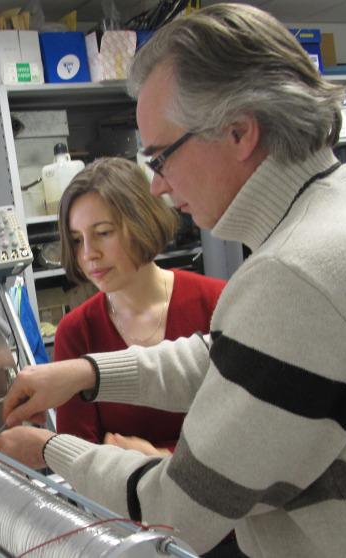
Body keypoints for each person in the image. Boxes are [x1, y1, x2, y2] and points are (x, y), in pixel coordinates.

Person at [0, 4, 346, 557]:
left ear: (239, 132)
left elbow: (176, 511)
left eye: (161, 157)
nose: (156, 186)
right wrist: (86, 373)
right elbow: (236, 360)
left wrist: (47, 449)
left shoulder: (301, 272)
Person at [52, 156, 225, 457]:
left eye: (103, 233)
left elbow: (248, 430)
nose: (89, 254)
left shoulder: (216, 302)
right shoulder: (76, 331)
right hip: (121, 501)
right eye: (77, 240)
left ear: (142, 221)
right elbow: (78, 458)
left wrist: (161, 460)